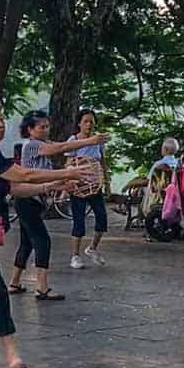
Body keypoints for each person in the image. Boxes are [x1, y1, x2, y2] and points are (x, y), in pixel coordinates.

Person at [0, 103, 93, 368]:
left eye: (2, 119)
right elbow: (25, 173)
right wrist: (66, 172)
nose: (1, 124)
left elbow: (17, 187)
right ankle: (12, 354)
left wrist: (50, 186)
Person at [8, 111, 107, 297]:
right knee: (42, 241)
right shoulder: (31, 146)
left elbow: (49, 168)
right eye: (41, 127)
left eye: (47, 126)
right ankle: (42, 288)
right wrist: (89, 141)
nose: (46, 130)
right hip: (27, 200)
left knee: (26, 243)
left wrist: (62, 184)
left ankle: (14, 283)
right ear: (30, 130)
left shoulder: (42, 145)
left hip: (32, 201)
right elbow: (62, 147)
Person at [68, 108, 109, 270]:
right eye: (86, 121)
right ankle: (75, 256)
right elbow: (69, 164)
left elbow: (102, 162)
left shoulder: (98, 140)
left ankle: (92, 248)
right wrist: (69, 181)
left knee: (102, 218)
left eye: (92, 121)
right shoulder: (73, 140)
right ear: (79, 123)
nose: (89, 124)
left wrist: (106, 182)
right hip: (78, 187)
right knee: (79, 221)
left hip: (95, 186)